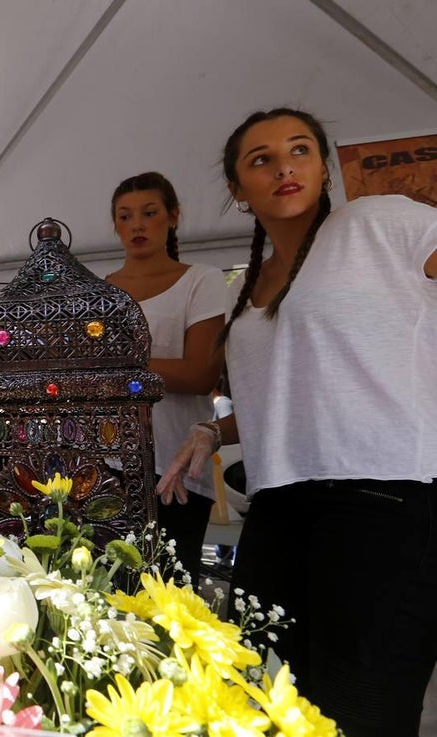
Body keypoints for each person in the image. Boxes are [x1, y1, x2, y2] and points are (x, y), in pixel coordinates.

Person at [158, 108, 437, 735]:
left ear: (324, 167)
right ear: (238, 189)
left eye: (300, 149)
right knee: (278, 704)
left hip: (383, 498)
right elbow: (285, 399)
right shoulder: (250, 286)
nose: (284, 167)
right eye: (261, 159)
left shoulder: (375, 222)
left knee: (360, 711)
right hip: (280, 505)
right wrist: (211, 431)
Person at [105, 171, 225, 582]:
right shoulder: (101, 291)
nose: (137, 225)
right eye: (125, 216)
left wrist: (114, 365)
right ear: (115, 225)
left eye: (149, 213)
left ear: (173, 216)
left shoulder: (201, 280)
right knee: (105, 591)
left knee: (169, 592)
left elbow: (200, 374)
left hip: (177, 462)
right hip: (107, 463)